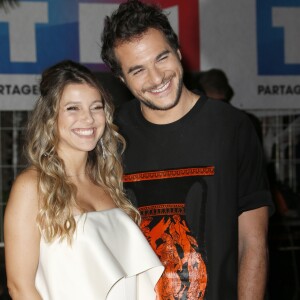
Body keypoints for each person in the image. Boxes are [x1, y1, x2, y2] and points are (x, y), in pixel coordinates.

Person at [100, 1, 274, 299]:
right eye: (138, 70)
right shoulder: (111, 135)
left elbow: (253, 242)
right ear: (121, 78)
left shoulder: (231, 127)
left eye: (162, 58)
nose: (156, 78)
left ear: (179, 52)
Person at [4, 60, 163, 300]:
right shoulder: (32, 187)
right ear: (50, 116)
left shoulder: (108, 182)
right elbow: (20, 287)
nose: (88, 119)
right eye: (72, 108)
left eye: (96, 107)